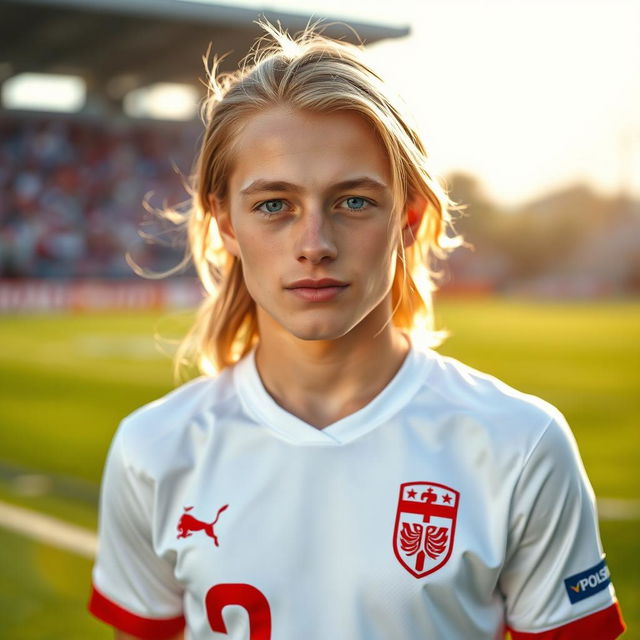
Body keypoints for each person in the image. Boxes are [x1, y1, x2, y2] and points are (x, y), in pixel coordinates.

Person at [88, 22, 626, 640]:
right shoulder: (154, 449)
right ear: (226, 224)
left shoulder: (520, 443)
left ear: (409, 215)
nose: (314, 244)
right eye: (273, 205)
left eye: (353, 202)